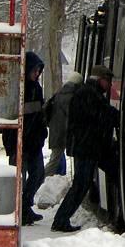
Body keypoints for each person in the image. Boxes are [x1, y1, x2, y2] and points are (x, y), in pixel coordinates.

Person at [51, 64, 118, 233]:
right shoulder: (89, 94)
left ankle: (61, 219)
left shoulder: (88, 92)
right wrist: (120, 116)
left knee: (82, 184)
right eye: (107, 81)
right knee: (80, 185)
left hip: (86, 146)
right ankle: (60, 219)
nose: (109, 85)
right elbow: (101, 114)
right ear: (100, 80)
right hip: (86, 147)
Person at [2, 50, 48, 226]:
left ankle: (24, 206)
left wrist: (41, 133)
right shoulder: (17, 89)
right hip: (18, 143)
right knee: (18, 179)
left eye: (38, 71)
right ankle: (20, 209)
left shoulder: (36, 88)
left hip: (33, 143)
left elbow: (39, 115)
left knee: (38, 175)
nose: (37, 74)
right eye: (34, 71)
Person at [44, 71, 83, 177]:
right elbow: (70, 116)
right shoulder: (72, 96)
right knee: (54, 160)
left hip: (56, 130)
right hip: (63, 132)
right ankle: (42, 179)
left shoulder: (60, 93)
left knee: (57, 157)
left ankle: (56, 176)